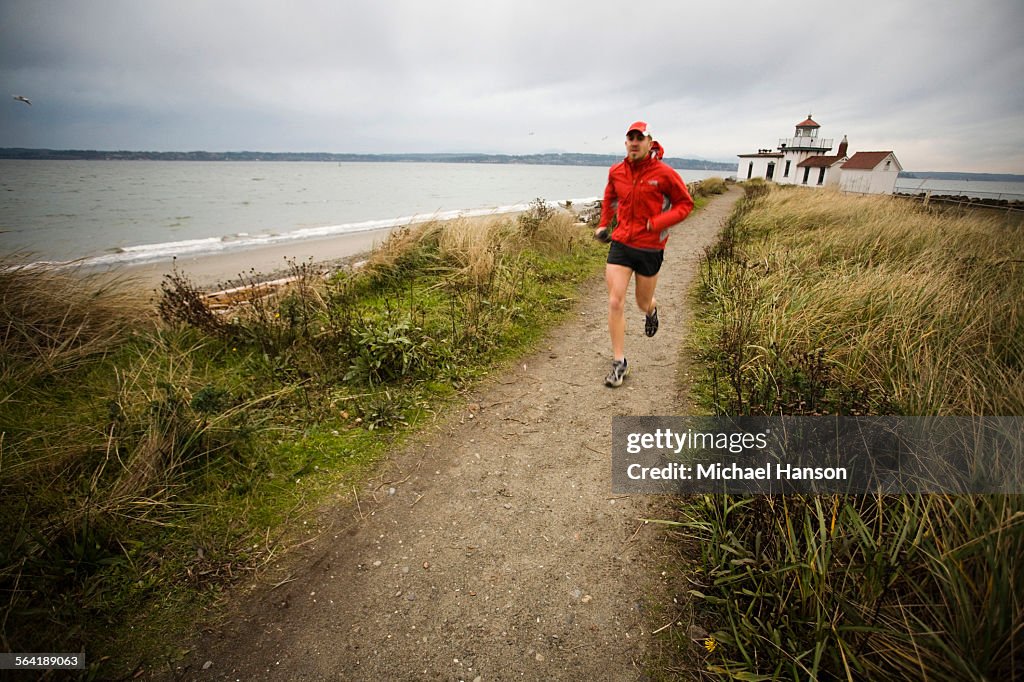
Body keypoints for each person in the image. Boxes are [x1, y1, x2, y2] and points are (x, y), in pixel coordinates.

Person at [594, 120, 694, 387]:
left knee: (641, 301)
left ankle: (651, 310)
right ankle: (619, 362)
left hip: (650, 247)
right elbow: (610, 199)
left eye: (640, 138)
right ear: (626, 143)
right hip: (622, 243)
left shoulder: (664, 173)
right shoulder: (616, 172)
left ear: (650, 143)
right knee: (615, 301)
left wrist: (659, 223)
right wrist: (605, 224)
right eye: (631, 138)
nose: (635, 142)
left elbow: (686, 204)